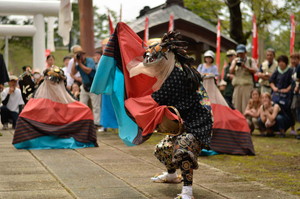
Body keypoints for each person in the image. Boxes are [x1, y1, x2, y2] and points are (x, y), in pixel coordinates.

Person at [12, 66, 98, 149]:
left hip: (62, 106)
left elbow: (76, 104)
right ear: (46, 81)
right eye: (52, 82)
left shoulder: (67, 98)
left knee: (85, 111)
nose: (55, 85)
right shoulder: (37, 100)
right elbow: (24, 116)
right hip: (46, 107)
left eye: (58, 82)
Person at [71, 46, 101, 126]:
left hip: (94, 86)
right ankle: (83, 121)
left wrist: (79, 63)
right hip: (85, 86)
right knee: (82, 104)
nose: (80, 56)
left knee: (96, 106)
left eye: (81, 54)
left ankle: (97, 123)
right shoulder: (77, 63)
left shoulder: (89, 60)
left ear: (84, 55)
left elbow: (88, 70)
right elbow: (73, 72)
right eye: (78, 55)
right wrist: (75, 62)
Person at [230, 44, 258, 114]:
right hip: (237, 86)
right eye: (239, 53)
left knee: (246, 105)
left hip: (247, 86)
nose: (240, 55)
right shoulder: (235, 60)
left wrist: (245, 67)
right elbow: (230, 71)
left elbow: (255, 70)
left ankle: (246, 121)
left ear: (245, 52)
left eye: (242, 53)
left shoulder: (251, 60)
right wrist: (235, 64)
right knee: (236, 105)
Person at [290, 53, 300, 134]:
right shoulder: (293, 68)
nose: (293, 61)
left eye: (295, 59)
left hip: (298, 92)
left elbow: (299, 79)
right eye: (292, 59)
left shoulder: (299, 67)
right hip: (295, 93)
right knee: (295, 110)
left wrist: (298, 87)